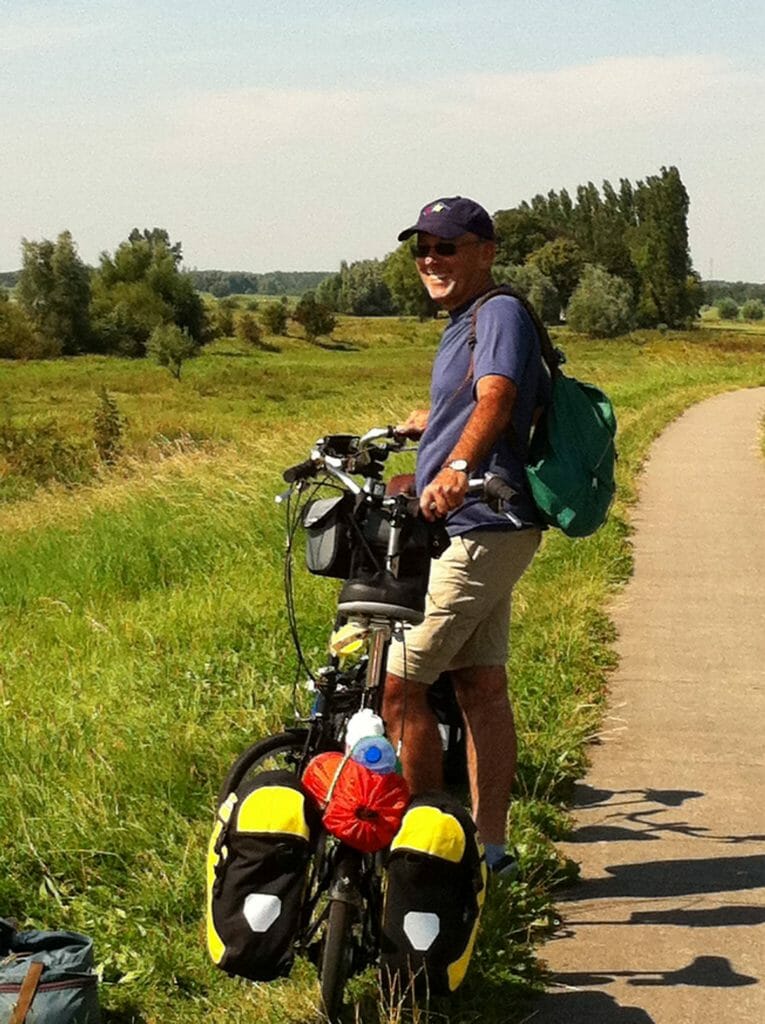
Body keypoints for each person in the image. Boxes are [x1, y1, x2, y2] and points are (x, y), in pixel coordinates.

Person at [382, 196, 549, 876]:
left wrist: (455, 465)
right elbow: (476, 399)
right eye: (421, 246)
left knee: (400, 688)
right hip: (485, 527)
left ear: (484, 250)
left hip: (483, 523)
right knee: (480, 688)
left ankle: (428, 859)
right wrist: (434, 421)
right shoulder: (463, 322)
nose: (430, 258)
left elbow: (498, 398)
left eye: (446, 246)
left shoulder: (498, 311)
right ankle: (489, 852)